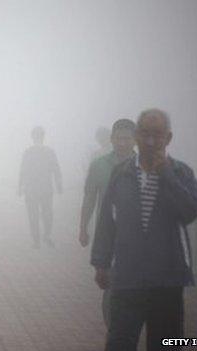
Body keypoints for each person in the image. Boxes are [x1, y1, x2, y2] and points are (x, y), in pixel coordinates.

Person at [91, 109, 197, 351]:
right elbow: (107, 221)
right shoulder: (121, 173)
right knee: (119, 342)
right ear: (136, 136)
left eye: (158, 135)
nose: (151, 141)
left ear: (169, 138)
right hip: (126, 278)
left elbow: (191, 210)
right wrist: (101, 262)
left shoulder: (180, 172)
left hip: (167, 280)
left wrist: (166, 175)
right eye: (145, 134)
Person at [79, 119, 136, 328]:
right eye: (119, 138)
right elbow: (89, 198)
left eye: (127, 139)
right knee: (111, 288)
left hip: (139, 240)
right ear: (112, 139)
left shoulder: (145, 167)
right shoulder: (99, 165)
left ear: (135, 140)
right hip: (109, 236)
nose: (122, 143)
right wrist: (83, 227)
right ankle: (115, 331)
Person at [18, 126, 62, 248]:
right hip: (44, 189)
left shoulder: (29, 152)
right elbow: (56, 170)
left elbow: (23, 170)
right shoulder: (49, 152)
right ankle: (45, 236)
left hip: (32, 189)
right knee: (46, 214)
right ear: (42, 137)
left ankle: (37, 239)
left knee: (34, 215)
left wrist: (20, 186)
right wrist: (59, 185)